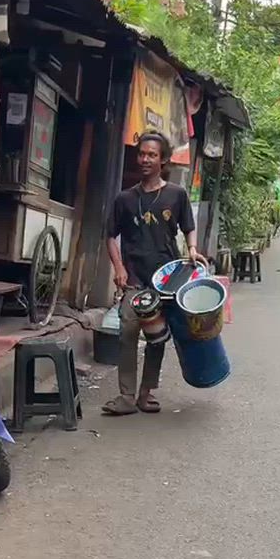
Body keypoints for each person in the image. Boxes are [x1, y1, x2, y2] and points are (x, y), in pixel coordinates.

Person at [102, 130, 206, 416]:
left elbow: (188, 227)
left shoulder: (176, 194)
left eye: (152, 155)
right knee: (127, 331)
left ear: (163, 161)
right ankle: (126, 396)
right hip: (134, 278)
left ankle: (146, 393)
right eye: (142, 154)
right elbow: (110, 236)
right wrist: (119, 267)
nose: (145, 159)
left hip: (165, 279)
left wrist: (192, 249)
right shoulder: (124, 199)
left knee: (156, 336)